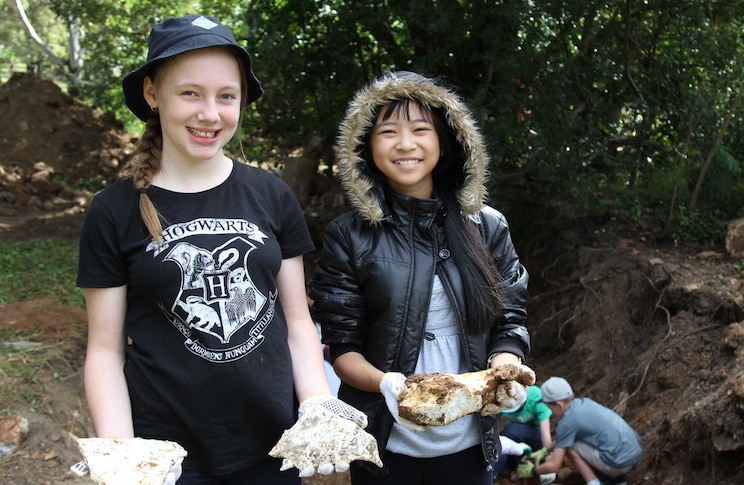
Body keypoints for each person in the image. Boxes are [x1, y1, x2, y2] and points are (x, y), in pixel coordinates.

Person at [76, 14, 366, 484]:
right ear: (152, 93)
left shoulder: (271, 195)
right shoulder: (114, 210)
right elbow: (105, 350)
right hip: (166, 454)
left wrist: (316, 406)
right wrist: (123, 453)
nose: (209, 113)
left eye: (226, 96)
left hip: (274, 446)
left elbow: (296, 320)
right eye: (190, 92)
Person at [308, 71, 532, 485]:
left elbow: (509, 321)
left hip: (470, 445)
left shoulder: (486, 226)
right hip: (384, 446)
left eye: (420, 129)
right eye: (388, 131)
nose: (405, 144)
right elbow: (342, 346)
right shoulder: (349, 234)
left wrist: (505, 371)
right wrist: (386, 384)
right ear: (366, 145)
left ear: (444, 141)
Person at [518, 377, 642, 485]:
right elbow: (563, 438)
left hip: (618, 464)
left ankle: (595, 482)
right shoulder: (584, 403)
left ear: (559, 405)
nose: (549, 411)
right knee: (570, 440)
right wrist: (546, 450)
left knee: (569, 446)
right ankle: (614, 479)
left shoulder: (567, 423)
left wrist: (532, 471)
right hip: (634, 454)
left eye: (549, 407)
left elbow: (554, 465)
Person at [492, 385, 554, 477]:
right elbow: (494, 429)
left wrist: (548, 461)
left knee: (511, 430)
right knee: (500, 448)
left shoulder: (536, 397)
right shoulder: (500, 400)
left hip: (535, 437)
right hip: (515, 437)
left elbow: (545, 434)